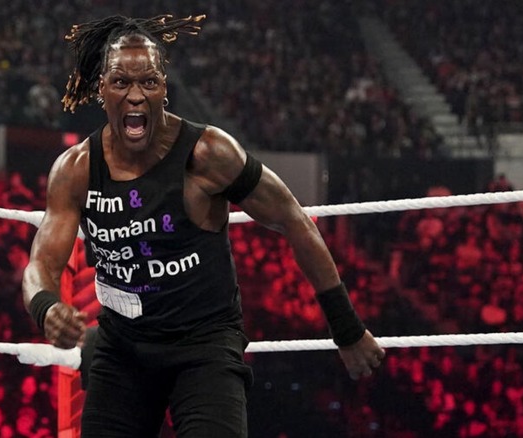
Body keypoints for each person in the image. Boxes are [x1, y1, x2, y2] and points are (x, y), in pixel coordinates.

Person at [22, 14, 385, 437]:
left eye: (149, 82)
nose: (136, 96)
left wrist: (345, 326)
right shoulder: (77, 169)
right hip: (122, 348)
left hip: (203, 346)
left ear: (164, 90)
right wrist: (45, 307)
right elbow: (41, 264)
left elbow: (293, 219)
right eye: (121, 82)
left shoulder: (208, 154)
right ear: (101, 90)